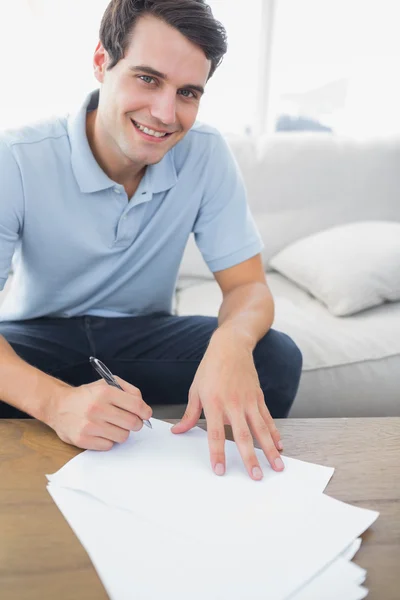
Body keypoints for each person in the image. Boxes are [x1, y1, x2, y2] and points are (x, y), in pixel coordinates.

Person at [0, 0, 302, 481]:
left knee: (275, 357)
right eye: (147, 79)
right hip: (38, 335)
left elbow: (249, 288)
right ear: (102, 62)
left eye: (187, 92)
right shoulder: (15, 157)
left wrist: (231, 342)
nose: (165, 113)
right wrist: (56, 403)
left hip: (142, 336)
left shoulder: (206, 155)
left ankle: (225, 488)